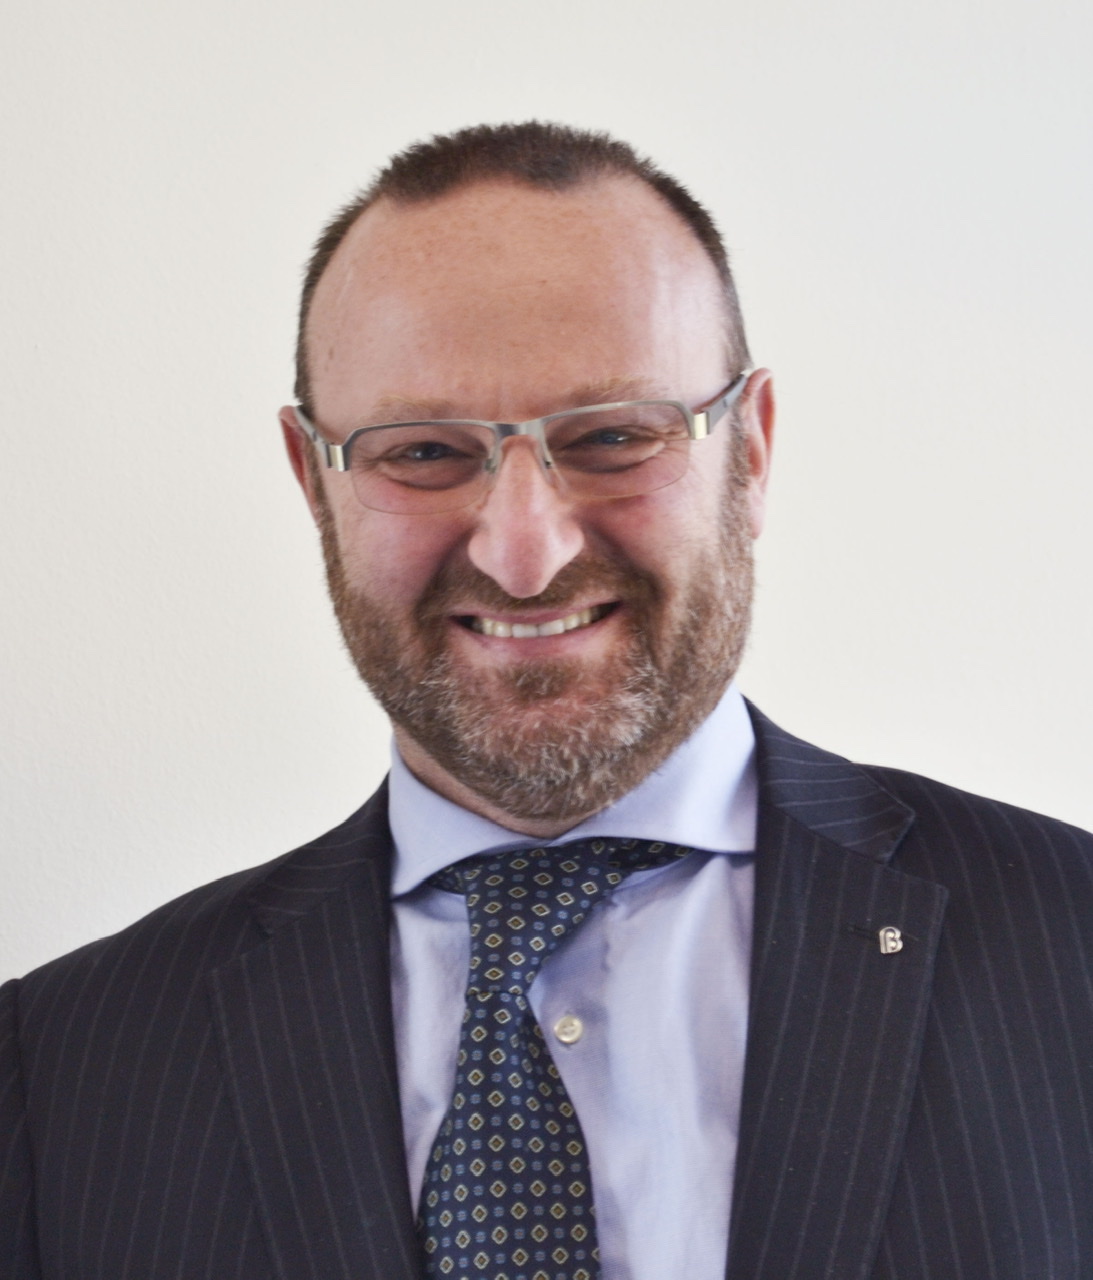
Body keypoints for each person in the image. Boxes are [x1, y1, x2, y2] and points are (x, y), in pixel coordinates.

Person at [2, 121, 1092, 1280]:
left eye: (615, 436)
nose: (524, 553)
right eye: (424, 452)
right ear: (314, 480)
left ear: (751, 450)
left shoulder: (1069, 946)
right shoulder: (57, 1070)